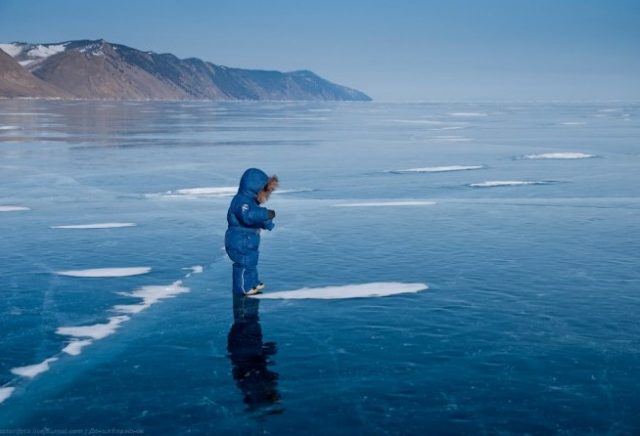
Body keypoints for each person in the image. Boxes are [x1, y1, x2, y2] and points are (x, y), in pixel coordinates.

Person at [225, 168, 278, 295]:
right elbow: (248, 216)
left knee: (251, 261)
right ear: (254, 187)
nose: (266, 193)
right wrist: (265, 213)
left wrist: (267, 223)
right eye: (264, 189)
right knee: (243, 263)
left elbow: (255, 218)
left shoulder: (252, 202)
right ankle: (243, 287)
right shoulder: (241, 201)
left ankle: (252, 282)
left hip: (249, 240)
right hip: (239, 240)